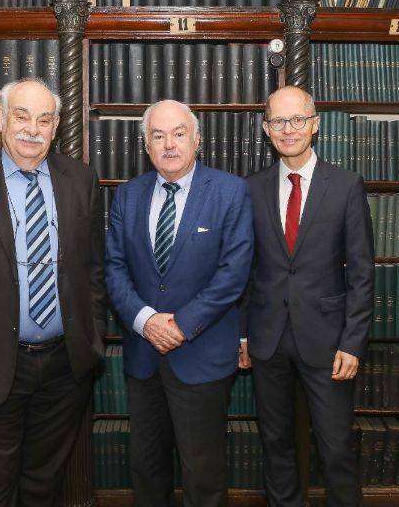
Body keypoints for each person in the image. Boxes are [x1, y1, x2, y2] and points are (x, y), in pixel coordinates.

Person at [0, 78, 105, 507]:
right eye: (21, 115)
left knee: (43, 485)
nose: (32, 128)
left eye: (44, 119)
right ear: (0, 119)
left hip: (64, 366)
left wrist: (92, 340)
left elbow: (93, 270)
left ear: (56, 126)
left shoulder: (82, 180)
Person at [105, 99, 254, 507]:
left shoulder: (230, 191)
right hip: (143, 355)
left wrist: (181, 325)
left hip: (201, 354)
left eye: (178, 133)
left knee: (202, 472)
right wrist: (145, 320)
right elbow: (114, 269)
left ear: (197, 139)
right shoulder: (127, 196)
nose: (169, 144)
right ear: (146, 146)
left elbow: (233, 274)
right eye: (158, 135)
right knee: (146, 466)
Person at [239, 85, 374, 507]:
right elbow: (246, 270)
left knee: (336, 447)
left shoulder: (346, 185)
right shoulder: (252, 188)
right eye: (278, 121)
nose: (288, 129)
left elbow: (363, 272)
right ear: (266, 129)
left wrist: (353, 342)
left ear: (315, 125)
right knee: (276, 444)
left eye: (298, 119)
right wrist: (243, 335)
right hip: (268, 338)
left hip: (329, 341)